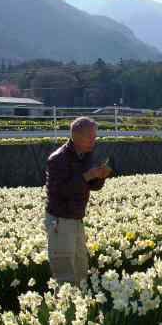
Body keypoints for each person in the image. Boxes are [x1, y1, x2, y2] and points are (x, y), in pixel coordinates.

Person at [44, 117, 113, 287]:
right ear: (76, 136)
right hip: (60, 220)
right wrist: (88, 176)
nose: (94, 140)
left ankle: (80, 301)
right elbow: (61, 191)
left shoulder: (85, 155)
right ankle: (65, 303)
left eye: (95, 136)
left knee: (81, 269)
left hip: (76, 218)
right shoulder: (58, 159)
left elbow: (91, 186)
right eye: (90, 136)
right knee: (65, 273)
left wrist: (100, 177)